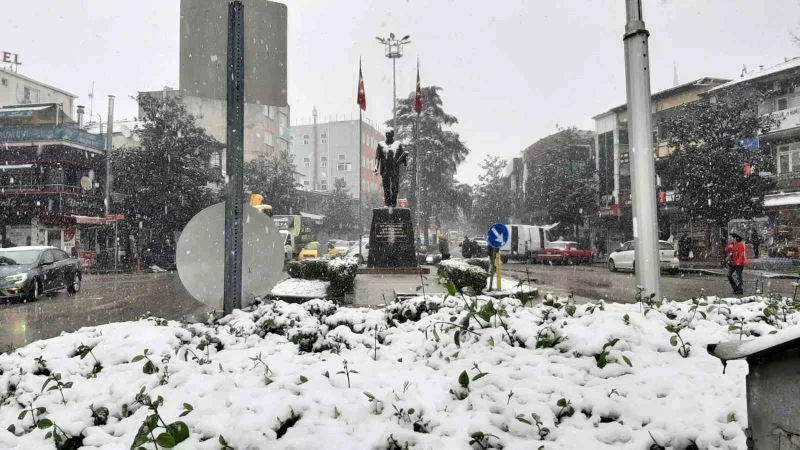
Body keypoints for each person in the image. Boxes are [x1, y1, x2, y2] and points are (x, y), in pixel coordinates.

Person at [373, 127, 408, 208]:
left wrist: (405, 160)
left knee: (395, 187)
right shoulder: (381, 145)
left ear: (393, 134)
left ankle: (393, 203)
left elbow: (402, 156)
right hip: (385, 170)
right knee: (386, 187)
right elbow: (377, 157)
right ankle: (388, 203)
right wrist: (376, 167)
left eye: (389, 133)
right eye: (386, 133)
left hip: (394, 170)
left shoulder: (398, 144)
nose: (388, 135)